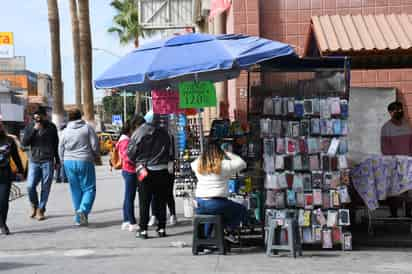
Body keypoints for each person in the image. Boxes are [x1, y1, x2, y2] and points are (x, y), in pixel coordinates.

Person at [127, 110, 173, 239]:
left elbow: (130, 153)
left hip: (145, 171)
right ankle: (162, 228)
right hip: (163, 171)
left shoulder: (139, 132)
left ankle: (143, 230)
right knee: (161, 201)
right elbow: (171, 152)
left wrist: (138, 161)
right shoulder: (165, 133)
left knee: (144, 201)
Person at [191, 141, 247, 243]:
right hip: (217, 203)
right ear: (219, 153)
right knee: (241, 210)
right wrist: (227, 153)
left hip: (199, 204)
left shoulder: (198, 165)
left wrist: (203, 156)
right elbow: (242, 163)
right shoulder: (223, 165)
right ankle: (228, 230)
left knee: (211, 213)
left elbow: (193, 163)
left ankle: (207, 239)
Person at [59, 108, 99, 226]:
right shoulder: (87, 128)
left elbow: (60, 148)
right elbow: (95, 145)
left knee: (75, 190)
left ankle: (79, 219)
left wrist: (62, 161)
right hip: (84, 160)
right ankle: (83, 210)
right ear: (80, 116)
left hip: (68, 162)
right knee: (89, 188)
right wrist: (95, 155)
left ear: (69, 118)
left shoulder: (64, 131)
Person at [22, 107, 60, 221]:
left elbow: (55, 144)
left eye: (39, 117)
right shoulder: (30, 126)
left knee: (46, 187)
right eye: (35, 117)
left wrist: (57, 160)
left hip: (48, 160)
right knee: (30, 186)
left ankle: (41, 209)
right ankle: (34, 205)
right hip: (34, 161)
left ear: (44, 116)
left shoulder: (51, 127)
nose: (37, 119)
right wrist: (34, 130)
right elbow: (24, 143)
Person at [381, 101, 412, 217]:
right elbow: (385, 148)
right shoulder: (386, 128)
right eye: (396, 110)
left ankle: (408, 214)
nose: (399, 111)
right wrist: (393, 162)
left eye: (400, 109)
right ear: (390, 113)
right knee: (393, 190)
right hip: (393, 164)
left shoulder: (408, 126)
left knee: (409, 190)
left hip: (408, 165)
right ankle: (393, 214)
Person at [117, 116, 145, 232]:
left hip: (130, 170)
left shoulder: (125, 140)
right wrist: (138, 159)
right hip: (130, 171)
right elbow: (126, 156)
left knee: (128, 197)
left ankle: (126, 220)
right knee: (130, 197)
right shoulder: (125, 141)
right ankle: (132, 222)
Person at [0, 120, 24, 235]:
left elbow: (16, 157)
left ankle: (3, 224)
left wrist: (21, 170)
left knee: (4, 201)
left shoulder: (9, 140)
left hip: (5, 175)